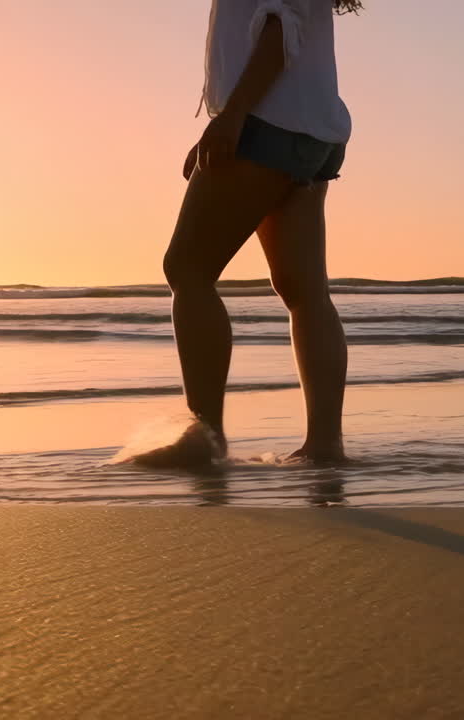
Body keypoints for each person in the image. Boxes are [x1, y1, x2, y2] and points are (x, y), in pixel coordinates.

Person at [135, 0, 361, 468]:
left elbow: (279, 31)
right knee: (305, 293)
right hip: (313, 132)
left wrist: (232, 118)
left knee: (188, 269)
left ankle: (205, 439)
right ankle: (324, 447)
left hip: (267, 125)